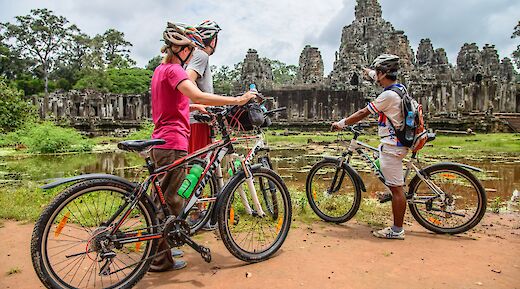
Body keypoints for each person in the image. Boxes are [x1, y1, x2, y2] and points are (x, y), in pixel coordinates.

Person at [149, 22, 256, 272]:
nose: (190, 53)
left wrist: (194, 108)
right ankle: (159, 260)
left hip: (160, 139)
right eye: (188, 48)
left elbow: (174, 102)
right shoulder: (175, 70)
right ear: (180, 49)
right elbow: (195, 94)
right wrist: (238, 99)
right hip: (173, 142)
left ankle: (156, 250)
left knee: (160, 201)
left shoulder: (159, 70)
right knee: (173, 201)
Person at [332, 54, 408, 240]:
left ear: (383, 74)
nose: (376, 78)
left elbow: (363, 112)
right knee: (381, 167)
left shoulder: (387, 95)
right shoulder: (399, 88)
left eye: (378, 74)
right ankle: (390, 193)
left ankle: (397, 230)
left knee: (397, 190)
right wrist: (368, 72)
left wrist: (341, 123)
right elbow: (379, 76)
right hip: (393, 144)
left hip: (393, 145)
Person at [185, 20, 222, 231]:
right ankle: (199, 213)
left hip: (195, 121)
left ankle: (202, 211)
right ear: (213, 39)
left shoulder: (192, 55)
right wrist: (198, 105)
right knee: (199, 168)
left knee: (197, 167)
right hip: (197, 123)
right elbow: (188, 81)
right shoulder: (201, 55)